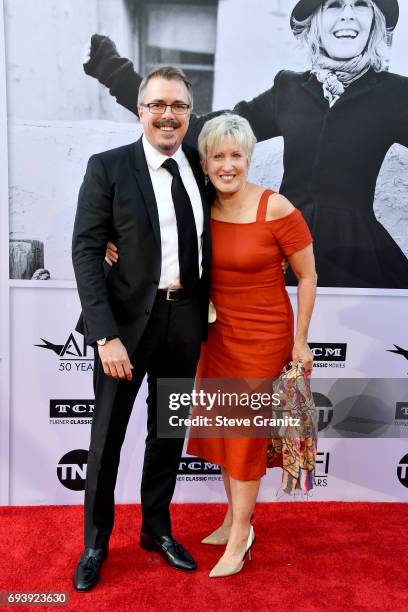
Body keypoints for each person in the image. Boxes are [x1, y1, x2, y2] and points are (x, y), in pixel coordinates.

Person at [106, 114, 317, 578]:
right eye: (217, 156)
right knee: (225, 432)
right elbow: (150, 230)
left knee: (243, 436)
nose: (227, 166)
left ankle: (242, 534)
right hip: (215, 335)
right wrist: (112, 244)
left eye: (235, 156)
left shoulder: (275, 207)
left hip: (263, 336)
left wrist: (301, 339)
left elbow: (307, 275)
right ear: (203, 161)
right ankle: (232, 519)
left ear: (248, 159)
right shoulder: (200, 203)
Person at [83, 0, 408, 289]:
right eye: (335, 5)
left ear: (375, 21)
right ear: (316, 23)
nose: (348, 15)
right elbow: (205, 132)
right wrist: (114, 72)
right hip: (283, 249)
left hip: (357, 255)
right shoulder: (289, 89)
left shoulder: (395, 94)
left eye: (362, 4)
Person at [71, 66, 212, 591]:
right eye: (157, 105)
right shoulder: (108, 167)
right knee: (106, 441)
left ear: (190, 114)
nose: (168, 114)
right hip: (124, 330)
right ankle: (95, 544)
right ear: (140, 111)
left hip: (184, 321)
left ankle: (156, 530)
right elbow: (87, 251)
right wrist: (105, 335)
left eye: (178, 105)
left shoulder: (202, 168)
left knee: (168, 433)